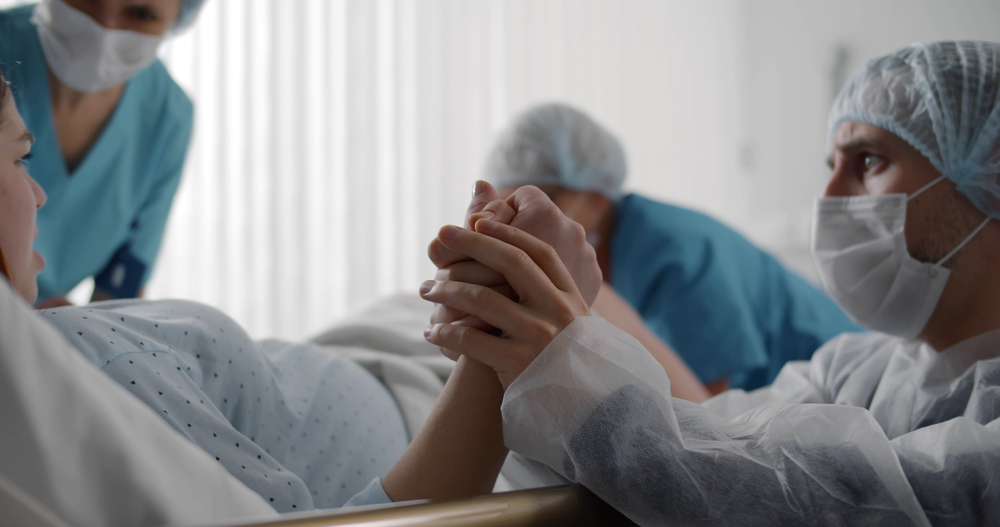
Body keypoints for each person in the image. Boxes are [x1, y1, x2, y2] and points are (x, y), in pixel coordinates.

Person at [424, 41, 1000, 525]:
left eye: (869, 161)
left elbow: (828, 499)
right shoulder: (853, 370)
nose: (826, 201)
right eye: (831, 167)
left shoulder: (679, 252)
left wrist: (563, 359)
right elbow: (715, 439)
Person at [0, 67, 605, 519]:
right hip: (429, 407)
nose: (41, 196)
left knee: (561, 275)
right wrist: (498, 334)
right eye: (22, 160)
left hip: (370, 356)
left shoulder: (58, 346)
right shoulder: (78, 367)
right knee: (579, 284)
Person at [483, 102, 863, 394]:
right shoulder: (601, 251)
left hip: (843, 390)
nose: (518, 224)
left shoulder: (679, 254)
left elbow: (705, 419)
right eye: (507, 206)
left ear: (597, 196)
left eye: (536, 201)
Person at [0, 0, 205, 308]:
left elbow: (119, 290)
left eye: (142, 14)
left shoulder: (168, 117)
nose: (104, 28)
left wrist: (76, 339)